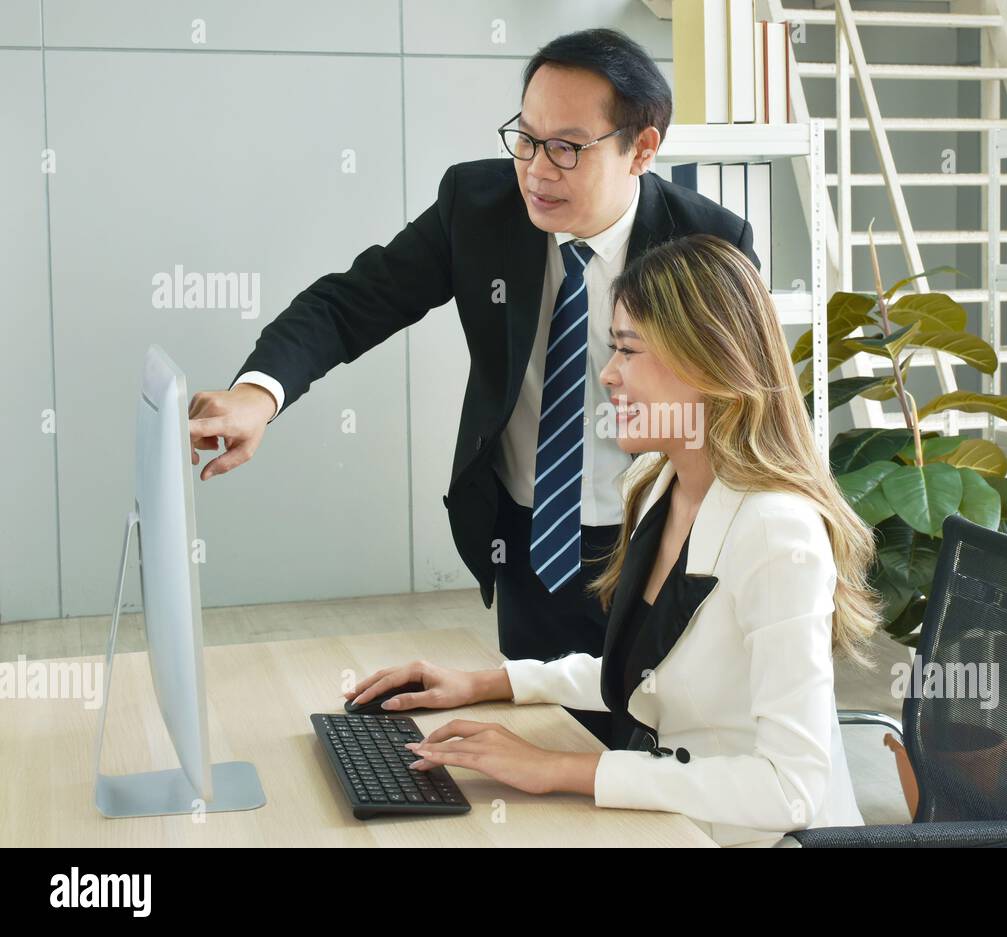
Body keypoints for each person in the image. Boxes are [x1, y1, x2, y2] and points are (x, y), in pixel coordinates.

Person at [185, 29, 758, 747]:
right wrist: (256, 394)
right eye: (526, 136)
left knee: (656, 743)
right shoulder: (478, 206)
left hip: (657, 539)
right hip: (527, 539)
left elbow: (741, 409)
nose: (535, 170)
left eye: (567, 148)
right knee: (542, 744)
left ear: (641, 149)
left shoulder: (707, 243)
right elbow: (350, 303)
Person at [346, 234, 878, 847]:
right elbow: (651, 670)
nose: (607, 375)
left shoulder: (776, 531)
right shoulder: (661, 488)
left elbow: (792, 788)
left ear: (706, 362)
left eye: (627, 350)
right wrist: (487, 683)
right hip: (676, 820)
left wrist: (562, 769)